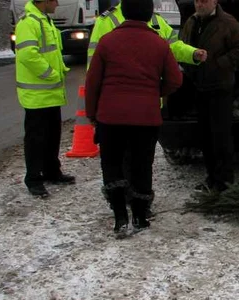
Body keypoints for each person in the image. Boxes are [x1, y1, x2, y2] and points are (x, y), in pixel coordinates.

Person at [87, 0, 207, 218]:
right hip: (143, 110)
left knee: (123, 162)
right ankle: (137, 210)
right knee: (137, 162)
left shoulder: (152, 22)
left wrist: (192, 53)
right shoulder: (111, 22)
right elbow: (174, 77)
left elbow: (174, 46)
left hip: (116, 110)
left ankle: (124, 211)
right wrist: (155, 92)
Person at [178, 0, 239, 193]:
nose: (199, 4)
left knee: (221, 137)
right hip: (198, 86)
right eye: (196, 1)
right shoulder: (191, 22)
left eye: (204, 1)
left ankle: (225, 182)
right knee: (205, 136)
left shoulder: (227, 22)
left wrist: (220, 64)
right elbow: (181, 46)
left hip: (220, 88)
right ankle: (211, 179)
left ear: (214, 2)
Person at [14, 0, 76, 198]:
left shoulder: (45, 21)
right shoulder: (28, 23)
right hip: (37, 96)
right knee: (36, 139)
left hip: (50, 94)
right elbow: (27, 55)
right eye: (54, 0)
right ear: (44, 1)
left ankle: (52, 171)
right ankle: (33, 179)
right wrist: (50, 73)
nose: (57, 3)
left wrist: (61, 70)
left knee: (52, 135)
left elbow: (52, 53)